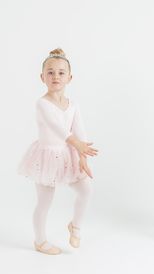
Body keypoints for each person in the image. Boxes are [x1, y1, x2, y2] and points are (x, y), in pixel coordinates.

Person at [18, 48, 98, 255]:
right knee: (45, 201)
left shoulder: (73, 105)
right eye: (50, 72)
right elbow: (58, 129)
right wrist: (77, 144)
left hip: (68, 156)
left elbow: (80, 132)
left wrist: (83, 158)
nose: (56, 76)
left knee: (86, 190)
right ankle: (40, 241)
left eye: (61, 72)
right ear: (42, 77)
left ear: (70, 77)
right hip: (46, 157)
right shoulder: (42, 103)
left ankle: (75, 226)